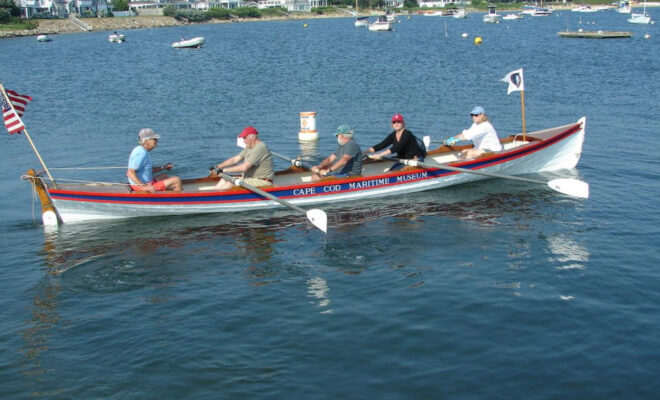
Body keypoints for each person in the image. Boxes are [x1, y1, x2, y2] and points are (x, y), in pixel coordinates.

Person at [212, 126, 274, 190]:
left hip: (262, 181)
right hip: (250, 179)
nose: (243, 141)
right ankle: (214, 197)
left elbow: (244, 167)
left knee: (230, 182)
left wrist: (225, 170)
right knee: (224, 179)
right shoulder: (249, 147)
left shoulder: (260, 148)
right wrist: (219, 166)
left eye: (244, 138)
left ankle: (219, 198)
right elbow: (235, 159)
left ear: (252, 137)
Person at [127, 128, 182, 193]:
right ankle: (177, 200)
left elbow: (148, 170)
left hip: (146, 182)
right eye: (154, 139)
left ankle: (166, 196)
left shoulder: (142, 150)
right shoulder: (141, 153)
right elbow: (130, 173)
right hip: (141, 186)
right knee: (176, 180)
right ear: (147, 140)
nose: (157, 141)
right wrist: (143, 186)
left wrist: (163, 167)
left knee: (165, 176)